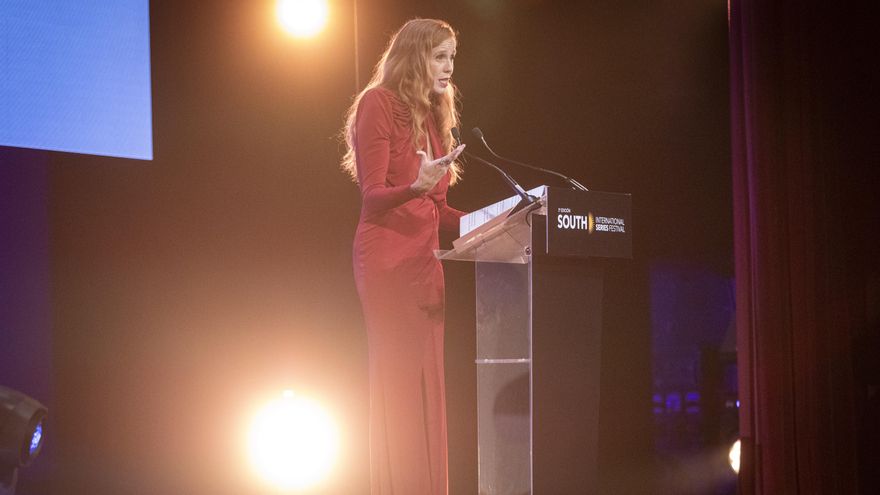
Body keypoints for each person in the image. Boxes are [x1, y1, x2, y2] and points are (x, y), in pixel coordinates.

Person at [340, 18, 466, 495]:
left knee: (429, 386)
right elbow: (373, 195)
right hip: (388, 263)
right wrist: (416, 184)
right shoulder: (377, 104)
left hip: (426, 267)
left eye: (452, 57)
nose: (449, 67)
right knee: (399, 386)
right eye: (440, 56)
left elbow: (439, 210)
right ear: (415, 57)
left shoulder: (434, 119)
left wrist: (505, 215)